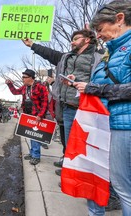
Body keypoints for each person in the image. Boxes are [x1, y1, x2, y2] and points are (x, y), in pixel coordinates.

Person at [71, 1, 131, 215]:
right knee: (112, 183)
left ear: (119, 19)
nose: (99, 35)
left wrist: (96, 88)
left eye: (100, 29)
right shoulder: (113, 50)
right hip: (109, 122)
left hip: (124, 125)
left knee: (124, 189)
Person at [22, 28, 102, 175]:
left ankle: (76, 172)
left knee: (83, 144)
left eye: (76, 38)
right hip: (67, 106)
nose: (72, 41)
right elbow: (50, 53)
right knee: (69, 141)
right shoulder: (66, 57)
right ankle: (68, 165)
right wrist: (32, 45)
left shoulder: (98, 57)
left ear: (87, 40)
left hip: (87, 107)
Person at [6, 69, 48, 165]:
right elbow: (15, 92)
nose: (22, 79)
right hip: (28, 115)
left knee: (35, 136)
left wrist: (40, 115)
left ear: (31, 78)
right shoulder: (25, 87)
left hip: (36, 115)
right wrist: (9, 84)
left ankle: (36, 156)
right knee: (30, 135)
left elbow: (45, 102)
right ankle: (32, 153)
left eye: (24, 77)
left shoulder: (40, 87)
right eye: (22, 77)